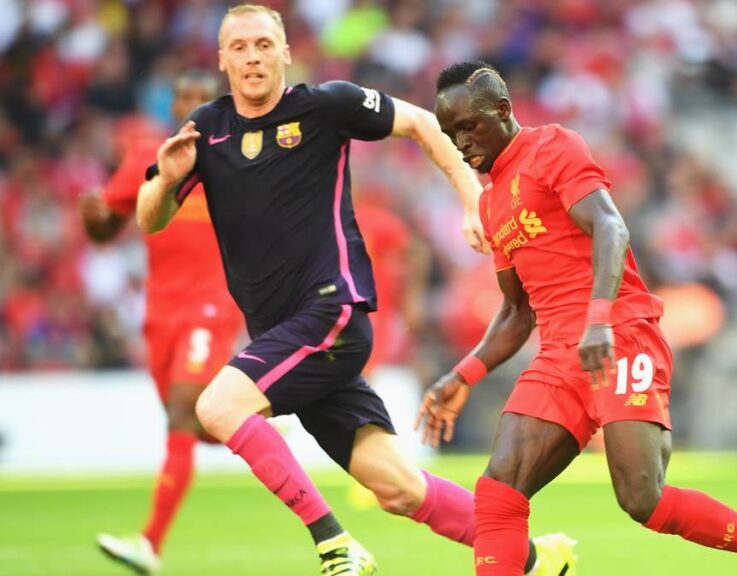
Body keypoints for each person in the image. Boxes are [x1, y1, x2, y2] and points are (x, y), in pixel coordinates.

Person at [135, 6, 573, 576]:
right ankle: (537, 560)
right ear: (222, 59)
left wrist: (474, 200)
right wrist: (166, 181)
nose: (252, 57)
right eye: (239, 47)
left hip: (330, 312)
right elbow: (150, 218)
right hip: (283, 335)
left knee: (218, 406)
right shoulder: (207, 128)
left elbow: (421, 122)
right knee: (398, 488)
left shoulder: (325, 106)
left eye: (264, 44)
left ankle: (335, 544)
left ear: (285, 52)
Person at [418, 60, 737, 576]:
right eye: (450, 133)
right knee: (498, 489)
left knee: (642, 499)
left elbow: (611, 228)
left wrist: (598, 320)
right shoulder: (491, 203)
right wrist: (464, 374)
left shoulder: (553, 147)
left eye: (468, 126)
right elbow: (516, 312)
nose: (461, 143)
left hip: (620, 336)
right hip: (559, 357)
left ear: (502, 110)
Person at [81, 71, 244, 574]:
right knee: (197, 425)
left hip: (212, 304)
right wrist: (93, 217)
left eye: (203, 98)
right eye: (185, 98)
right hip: (159, 312)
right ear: (173, 105)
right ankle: (258, 417)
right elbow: (105, 228)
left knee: (180, 414)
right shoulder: (145, 157)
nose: (193, 105)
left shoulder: (237, 157)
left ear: (217, 105)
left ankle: (149, 543)